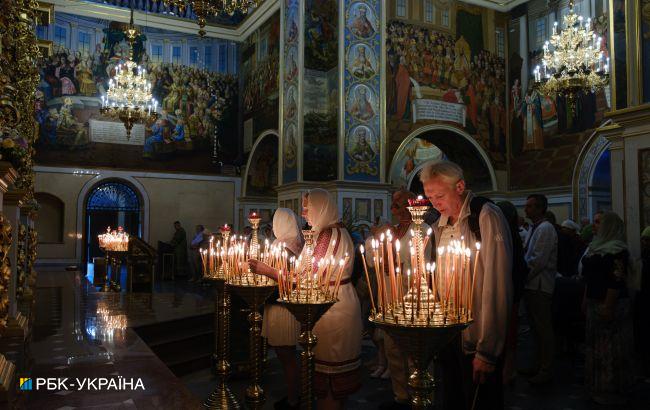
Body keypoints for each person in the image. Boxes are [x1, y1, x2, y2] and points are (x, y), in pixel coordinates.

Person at [251, 190, 362, 410]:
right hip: (337, 303)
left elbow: (305, 279)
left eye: (306, 207)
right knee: (335, 381)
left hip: (331, 308)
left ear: (320, 208)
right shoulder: (336, 232)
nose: (303, 213)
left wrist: (267, 270)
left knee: (329, 380)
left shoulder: (327, 235)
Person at [421, 160, 513, 410]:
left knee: (480, 401)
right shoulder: (437, 226)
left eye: (439, 195)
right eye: (430, 197)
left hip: (477, 334)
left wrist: (488, 350)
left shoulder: (485, 216)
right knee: (452, 399)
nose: (434, 203)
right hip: (449, 334)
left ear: (459, 186)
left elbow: (497, 284)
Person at [376, 189, 432, 409]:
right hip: (391, 295)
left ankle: (421, 394)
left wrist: (398, 266)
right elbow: (374, 259)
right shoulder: (392, 231)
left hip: (413, 294)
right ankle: (400, 395)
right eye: (393, 205)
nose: (394, 210)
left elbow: (423, 264)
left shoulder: (423, 229)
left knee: (414, 350)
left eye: (398, 204)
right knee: (392, 347)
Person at [251, 208, 304, 410]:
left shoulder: (285, 246)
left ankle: (294, 399)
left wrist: (264, 269)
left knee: (286, 356)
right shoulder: (295, 243)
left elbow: (289, 280)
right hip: (282, 305)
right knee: (286, 356)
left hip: (282, 308)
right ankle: (296, 394)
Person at [580, 212, 633, 405]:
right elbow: (589, 277)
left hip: (611, 304)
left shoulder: (617, 249)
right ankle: (597, 386)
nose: (594, 226)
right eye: (594, 222)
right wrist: (586, 298)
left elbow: (616, 279)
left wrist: (608, 306)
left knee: (610, 348)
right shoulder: (595, 247)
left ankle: (611, 389)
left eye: (598, 222)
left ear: (609, 226)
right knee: (596, 346)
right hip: (595, 302)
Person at [520, 194, 557, 385]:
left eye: (530, 206)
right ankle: (537, 363)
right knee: (535, 328)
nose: (526, 209)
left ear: (540, 208)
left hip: (540, 285)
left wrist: (522, 276)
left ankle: (546, 368)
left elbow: (538, 260)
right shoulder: (536, 228)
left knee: (543, 328)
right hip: (532, 285)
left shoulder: (545, 228)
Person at [496, 201, 529, 386]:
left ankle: (509, 370)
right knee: (507, 332)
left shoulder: (508, 236)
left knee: (509, 333)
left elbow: (515, 266)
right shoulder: (509, 234)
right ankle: (508, 368)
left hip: (511, 290)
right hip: (511, 288)